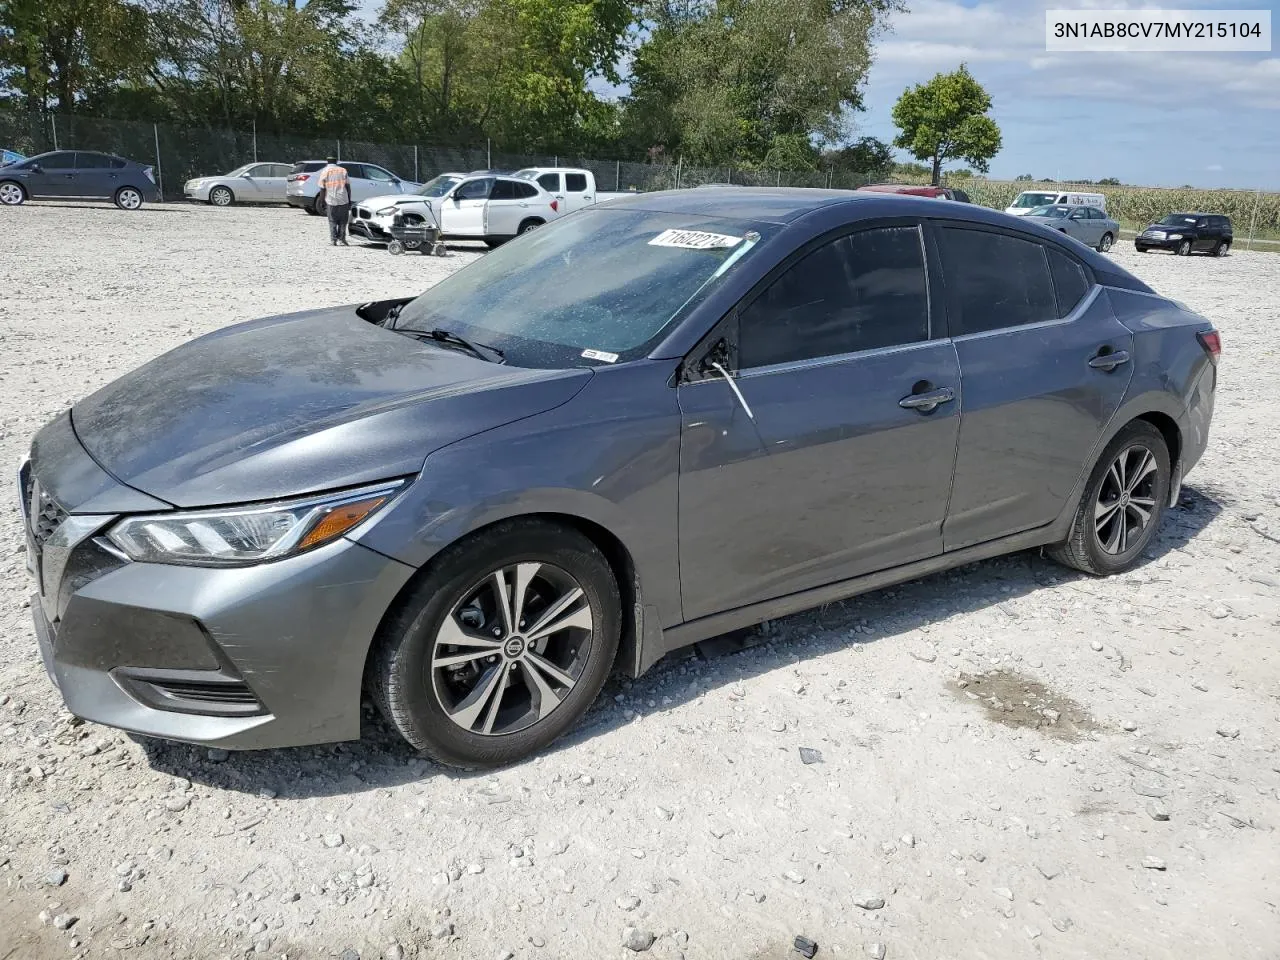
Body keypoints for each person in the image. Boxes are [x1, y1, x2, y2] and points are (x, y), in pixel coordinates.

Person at [316, 157, 351, 246]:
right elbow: (348, 186)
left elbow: (322, 188)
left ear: (327, 161)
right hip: (343, 199)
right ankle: (342, 239)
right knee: (343, 221)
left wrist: (322, 201)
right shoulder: (343, 170)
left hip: (331, 199)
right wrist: (349, 199)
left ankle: (333, 240)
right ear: (336, 161)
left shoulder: (324, 171)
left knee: (332, 220)